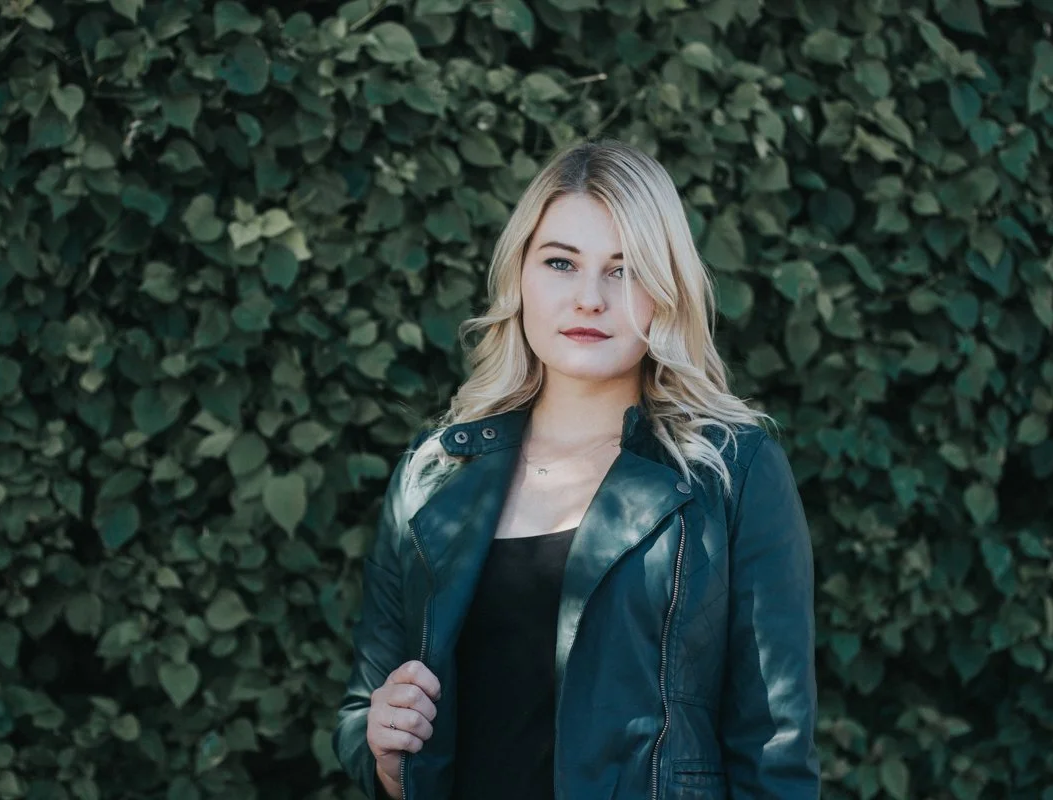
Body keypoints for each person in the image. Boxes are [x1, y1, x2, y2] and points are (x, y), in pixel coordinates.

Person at [332, 138, 819, 799]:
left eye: (625, 270)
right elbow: (368, 712)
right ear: (520, 277)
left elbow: (775, 757)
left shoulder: (731, 472)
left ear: (666, 290)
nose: (590, 298)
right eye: (561, 262)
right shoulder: (434, 474)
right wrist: (383, 750)